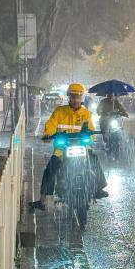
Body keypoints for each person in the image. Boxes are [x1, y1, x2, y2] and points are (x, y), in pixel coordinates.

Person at [30, 82, 108, 211]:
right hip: (62, 149)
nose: (76, 99)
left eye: (78, 97)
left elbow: (92, 132)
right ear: (69, 97)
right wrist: (48, 135)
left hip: (82, 147)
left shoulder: (86, 114)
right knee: (50, 170)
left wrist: (89, 137)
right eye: (73, 96)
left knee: (94, 158)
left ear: (82, 98)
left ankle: (99, 188)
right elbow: (50, 127)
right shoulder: (59, 112)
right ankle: (43, 199)